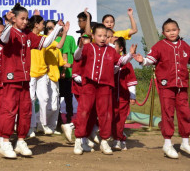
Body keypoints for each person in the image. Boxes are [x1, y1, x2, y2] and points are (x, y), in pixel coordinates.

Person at [0, 3, 63, 159]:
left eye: (27, 19)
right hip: (11, 79)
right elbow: (3, 39)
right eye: (22, 18)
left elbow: (45, 43)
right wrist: (9, 23)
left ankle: (21, 140)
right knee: (9, 111)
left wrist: (58, 29)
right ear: (14, 18)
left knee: (26, 111)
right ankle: (5, 142)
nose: (25, 21)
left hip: (25, 79)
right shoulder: (10, 31)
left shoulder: (28, 34)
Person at [73, 23, 136, 155]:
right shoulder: (88, 47)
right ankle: (79, 140)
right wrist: (80, 47)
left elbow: (120, 62)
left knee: (105, 114)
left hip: (105, 87)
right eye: (99, 35)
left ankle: (104, 141)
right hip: (89, 85)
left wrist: (130, 55)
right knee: (84, 111)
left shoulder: (111, 51)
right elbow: (77, 57)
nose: (103, 38)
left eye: (105, 36)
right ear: (93, 35)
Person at [133, 18, 190, 159]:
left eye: (174, 30)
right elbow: (151, 59)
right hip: (166, 85)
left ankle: (185, 141)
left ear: (179, 30)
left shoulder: (184, 45)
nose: (172, 32)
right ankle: (167, 143)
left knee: (185, 113)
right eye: (168, 30)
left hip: (181, 86)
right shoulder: (160, 46)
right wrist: (143, 60)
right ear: (163, 33)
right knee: (168, 113)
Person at [27, 16, 67, 137]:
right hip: (30, 73)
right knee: (31, 100)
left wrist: (62, 30)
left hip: (43, 73)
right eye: (42, 24)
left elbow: (59, 45)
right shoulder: (28, 37)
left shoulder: (43, 38)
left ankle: (43, 125)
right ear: (36, 24)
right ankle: (31, 127)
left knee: (44, 98)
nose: (44, 26)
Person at [44, 20, 71, 135]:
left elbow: (63, 62)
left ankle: (52, 126)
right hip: (46, 77)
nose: (53, 35)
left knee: (55, 105)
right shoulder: (44, 44)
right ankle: (42, 125)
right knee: (46, 102)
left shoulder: (56, 48)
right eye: (50, 31)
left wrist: (77, 66)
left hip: (56, 78)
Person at [111, 37, 137, 151]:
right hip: (110, 97)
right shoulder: (108, 61)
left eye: (114, 46)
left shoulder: (128, 65)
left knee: (120, 119)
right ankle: (121, 138)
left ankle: (118, 140)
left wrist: (132, 96)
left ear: (121, 48)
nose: (111, 49)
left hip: (123, 98)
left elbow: (131, 82)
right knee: (111, 119)